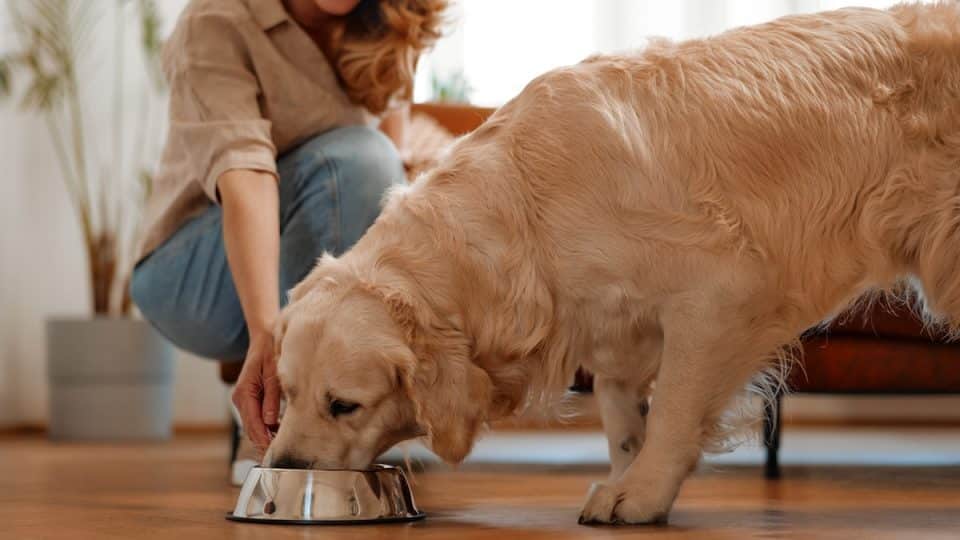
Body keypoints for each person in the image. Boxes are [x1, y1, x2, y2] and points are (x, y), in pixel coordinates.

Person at [130, 0, 446, 479]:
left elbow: (391, 159)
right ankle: (278, 429)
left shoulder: (392, 18)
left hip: (304, 242)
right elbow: (247, 178)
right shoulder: (216, 19)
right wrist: (268, 334)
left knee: (374, 165)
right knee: (357, 162)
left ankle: (335, 430)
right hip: (190, 274)